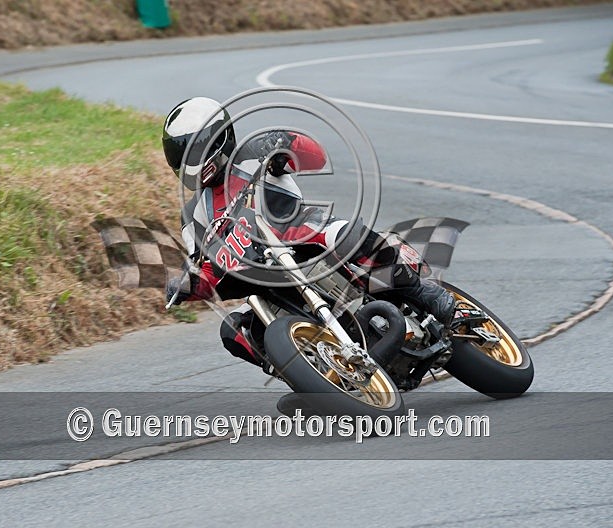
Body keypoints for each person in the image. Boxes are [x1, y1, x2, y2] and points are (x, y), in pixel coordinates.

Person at [162, 97, 455, 373]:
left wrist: (285, 146)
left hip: (302, 232)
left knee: (343, 233)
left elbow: (315, 158)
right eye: (178, 153)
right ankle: (302, 374)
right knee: (232, 331)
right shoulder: (193, 217)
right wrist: (186, 285)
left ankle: (420, 292)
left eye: (192, 149)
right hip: (263, 279)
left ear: (218, 138)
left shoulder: (254, 150)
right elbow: (206, 270)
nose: (186, 160)